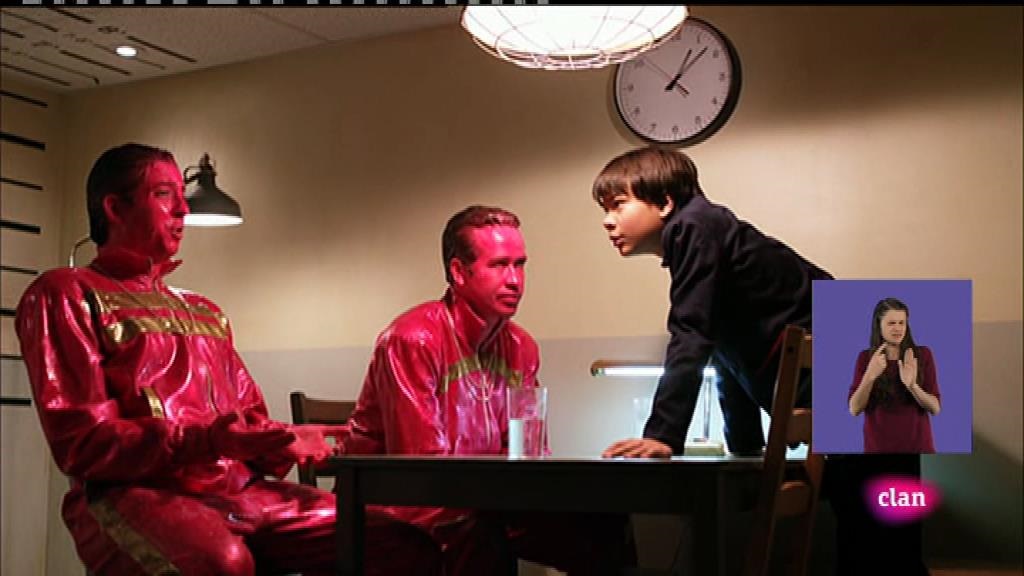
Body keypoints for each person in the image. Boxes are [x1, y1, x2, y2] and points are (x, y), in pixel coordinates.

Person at [14, 143, 346, 576]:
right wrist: (209, 441)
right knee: (219, 563)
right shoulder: (65, 293)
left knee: (394, 537)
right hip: (134, 494)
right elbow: (83, 445)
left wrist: (281, 441)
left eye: (181, 196)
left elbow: (249, 420)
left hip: (242, 491)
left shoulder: (204, 310)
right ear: (114, 208)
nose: (183, 211)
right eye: (164, 194)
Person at [341, 205, 632, 575]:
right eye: (499, 265)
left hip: (484, 504)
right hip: (401, 507)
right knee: (481, 532)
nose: (514, 280)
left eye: (520, 265)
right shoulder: (413, 339)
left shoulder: (521, 347)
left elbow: (529, 455)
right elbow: (421, 469)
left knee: (602, 521)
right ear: (458, 272)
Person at [592, 146, 833, 458]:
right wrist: (744, 444)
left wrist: (663, 434)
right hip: (852, 347)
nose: (607, 221)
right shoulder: (707, 228)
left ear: (665, 202)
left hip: (852, 356)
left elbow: (691, 331)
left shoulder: (694, 226)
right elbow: (723, 342)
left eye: (618, 205)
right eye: (605, 210)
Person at [848, 297, 941, 453]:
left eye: (901, 323)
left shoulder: (923, 354)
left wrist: (912, 386)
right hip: (878, 449)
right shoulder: (865, 358)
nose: (898, 328)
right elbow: (854, 409)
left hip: (918, 448)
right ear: (879, 325)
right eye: (891, 323)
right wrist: (870, 375)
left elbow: (935, 408)